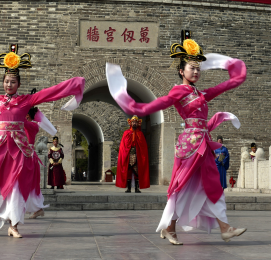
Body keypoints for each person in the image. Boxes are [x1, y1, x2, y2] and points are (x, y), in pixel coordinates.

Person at [106, 30, 247, 245]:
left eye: (198, 68)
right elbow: (158, 104)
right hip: (191, 146)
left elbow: (222, 87)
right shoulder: (179, 92)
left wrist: (236, 75)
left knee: (209, 184)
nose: (196, 71)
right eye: (192, 68)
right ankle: (172, 227)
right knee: (184, 187)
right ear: (181, 71)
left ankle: (223, 228)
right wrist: (135, 106)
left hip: (203, 144)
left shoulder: (200, 94)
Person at [0, 44, 84, 238]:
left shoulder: (26, 101)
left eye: (13, 82)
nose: (9, 85)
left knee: (14, 186)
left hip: (17, 150)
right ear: (2, 82)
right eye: (6, 81)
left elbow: (50, 93)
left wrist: (74, 84)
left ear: (19, 84)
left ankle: (13, 226)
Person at [24, 100, 57, 220]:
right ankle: (35, 209)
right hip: (24, 154)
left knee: (28, 183)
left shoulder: (32, 125)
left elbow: (19, 121)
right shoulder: (28, 124)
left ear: (27, 115)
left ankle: (36, 208)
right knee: (26, 183)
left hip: (28, 156)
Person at [116, 115, 150, 193]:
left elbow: (143, 146)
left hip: (137, 156)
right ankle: (128, 188)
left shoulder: (140, 134)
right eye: (133, 122)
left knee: (137, 172)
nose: (134, 124)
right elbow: (123, 146)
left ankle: (137, 189)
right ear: (130, 123)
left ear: (138, 124)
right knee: (128, 172)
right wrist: (125, 153)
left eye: (136, 122)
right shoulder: (126, 133)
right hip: (128, 155)